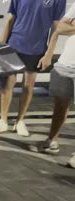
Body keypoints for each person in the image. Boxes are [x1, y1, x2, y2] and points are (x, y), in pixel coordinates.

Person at [0, 0, 66, 137]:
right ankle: (3, 119)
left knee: (28, 86)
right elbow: (10, 19)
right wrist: (0, 45)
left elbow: (56, 28)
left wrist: (49, 54)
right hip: (14, 45)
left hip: (36, 50)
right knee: (8, 84)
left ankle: (20, 121)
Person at [33, 2, 75, 168]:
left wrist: (71, 26)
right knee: (60, 105)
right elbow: (61, 28)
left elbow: (67, 27)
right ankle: (52, 141)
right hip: (66, 63)